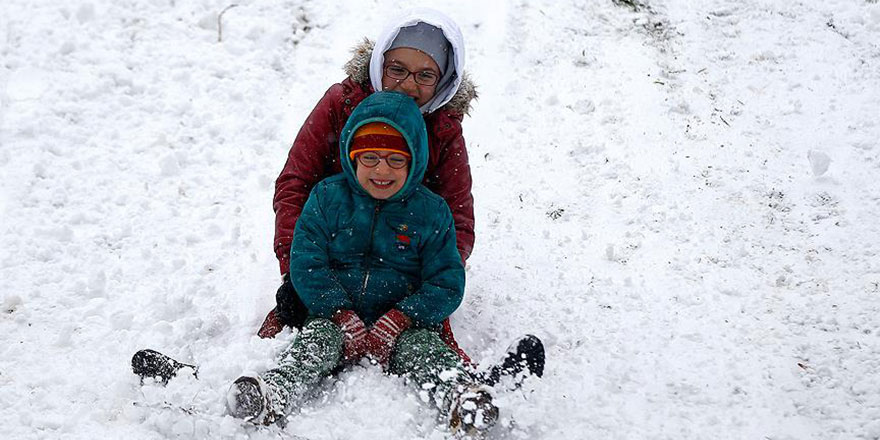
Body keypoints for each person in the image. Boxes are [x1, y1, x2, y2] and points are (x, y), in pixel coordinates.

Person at [227, 92, 498, 436]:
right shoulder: (327, 199)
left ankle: (462, 396)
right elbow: (307, 262)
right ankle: (273, 393)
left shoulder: (431, 212)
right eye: (369, 157)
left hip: (403, 325)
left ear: (415, 160)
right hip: (334, 318)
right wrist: (338, 312)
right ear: (351, 157)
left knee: (426, 351)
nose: (381, 170)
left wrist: (403, 317)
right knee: (314, 342)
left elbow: (446, 281)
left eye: (396, 160)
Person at [258, 8, 477, 364]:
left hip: (403, 257)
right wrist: (294, 268)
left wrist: (432, 281)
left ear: (444, 81)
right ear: (379, 64)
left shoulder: (443, 127)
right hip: (336, 248)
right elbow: (295, 183)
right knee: (299, 336)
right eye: (397, 70)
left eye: (425, 75)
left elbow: (458, 216)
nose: (409, 84)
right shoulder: (342, 104)